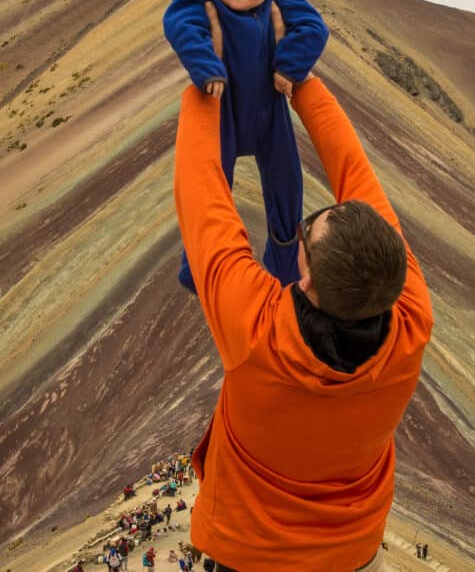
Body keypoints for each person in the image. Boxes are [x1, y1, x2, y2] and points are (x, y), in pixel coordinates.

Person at [172, 69, 434, 570]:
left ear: (306, 275)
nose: (309, 222)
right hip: (353, 551)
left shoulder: (257, 332)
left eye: (307, 238)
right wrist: (302, 82)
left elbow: (201, 191)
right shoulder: (411, 316)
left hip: (250, 553)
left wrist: (205, 79)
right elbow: (357, 172)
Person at [164, 0, 330, 293]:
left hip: (271, 115)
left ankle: (285, 269)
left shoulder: (281, 0)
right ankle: (198, 267)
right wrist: (207, 67)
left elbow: (314, 28)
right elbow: (179, 26)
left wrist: (289, 65)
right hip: (222, 112)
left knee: (288, 188)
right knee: (211, 191)